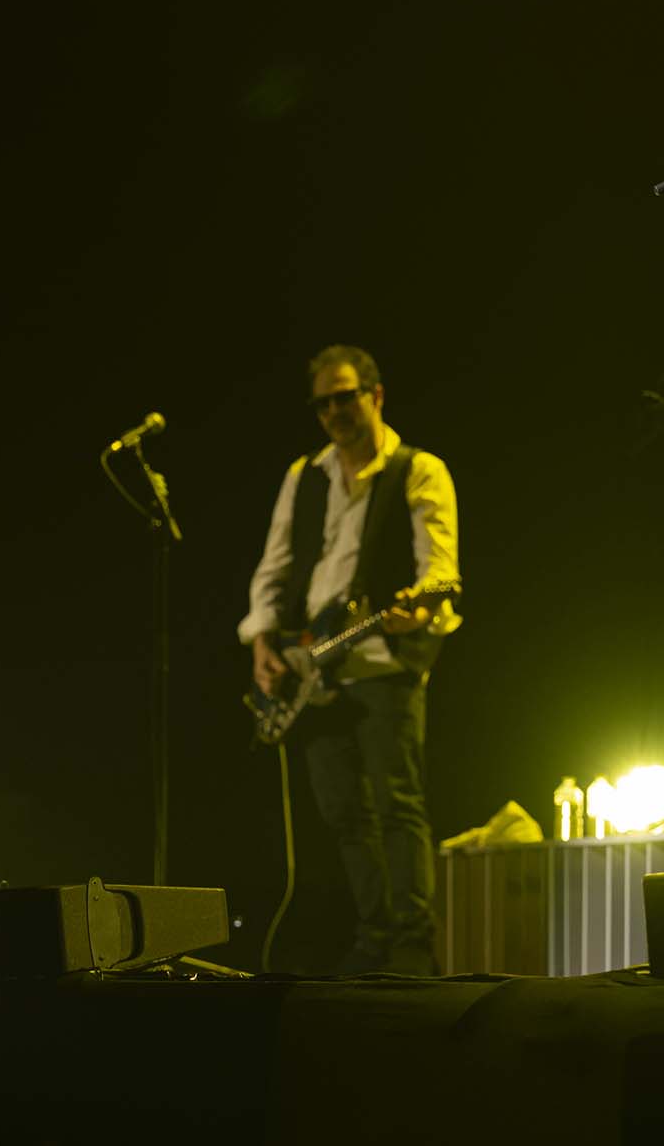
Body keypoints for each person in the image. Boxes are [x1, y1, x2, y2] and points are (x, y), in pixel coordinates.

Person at [239, 345, 460, 975]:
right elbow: (275, 566)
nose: (334, 410)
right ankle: (374, 939)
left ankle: (413, 947)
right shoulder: (302, 475)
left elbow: (439, 570)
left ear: (376, 394)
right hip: (311, 666)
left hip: (384, 661)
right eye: (323, 401)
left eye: (346, 396)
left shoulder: (419, 469)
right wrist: (262, 643)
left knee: (398, 803)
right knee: (342, 813)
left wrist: (421, 609)